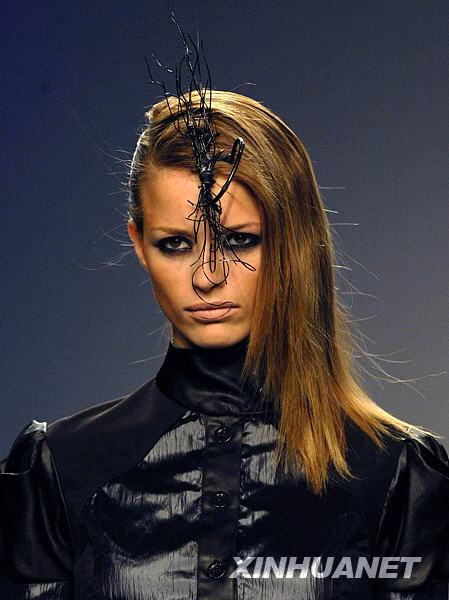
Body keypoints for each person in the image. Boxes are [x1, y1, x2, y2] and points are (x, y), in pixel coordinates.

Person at [1, 31, 449, 600]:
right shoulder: (60, 469)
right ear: (139, 243)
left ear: (292, 242)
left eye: (239, 240)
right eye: (175, 244)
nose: (208, 275)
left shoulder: (395, 475)